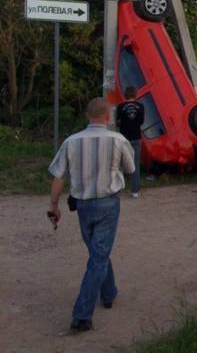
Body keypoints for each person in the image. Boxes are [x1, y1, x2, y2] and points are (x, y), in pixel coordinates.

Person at [48, 97, 135, 332]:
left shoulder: (71, 141)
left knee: (97, 253)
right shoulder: (119, 140)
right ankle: (82, 316)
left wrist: (54, 205)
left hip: (83, 206)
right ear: (108, 117)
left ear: (88, 116)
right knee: (98, 255)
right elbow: (130, 169)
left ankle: (109, 293)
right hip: (108, 204)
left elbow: (58, 176)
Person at [116, 87, 145, 197]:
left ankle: (118, 188)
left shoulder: (120, 107)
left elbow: (118, 122)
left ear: (125, 95)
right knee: (135, 164)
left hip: (123, 139)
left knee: (119, 164)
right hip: (136, 137)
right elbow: (141, 121)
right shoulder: (140, 106)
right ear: (135, 94)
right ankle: (135, 191)